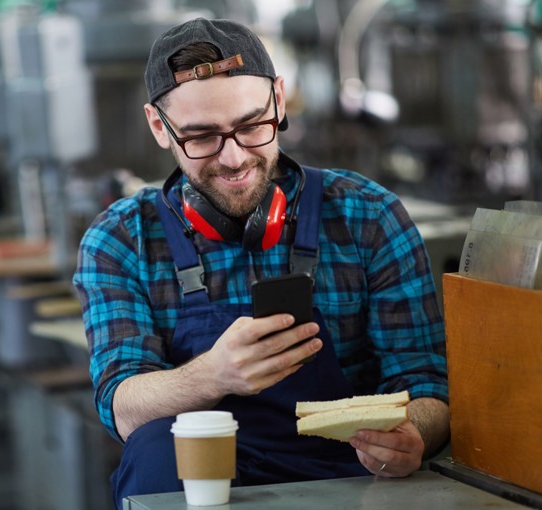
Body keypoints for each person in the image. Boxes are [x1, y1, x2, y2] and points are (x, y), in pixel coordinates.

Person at [73, 17, 449, 509]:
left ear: (279, 98)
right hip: (206, 486)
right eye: (201, 137)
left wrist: (413, 435)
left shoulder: (368, 217)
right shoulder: (121, 239)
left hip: (355, 484)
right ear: (157, 126)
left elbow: (426, 385)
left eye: (252, 125)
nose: (233, 159)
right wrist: (213, 375)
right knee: (154, 451)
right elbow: (123, 407)